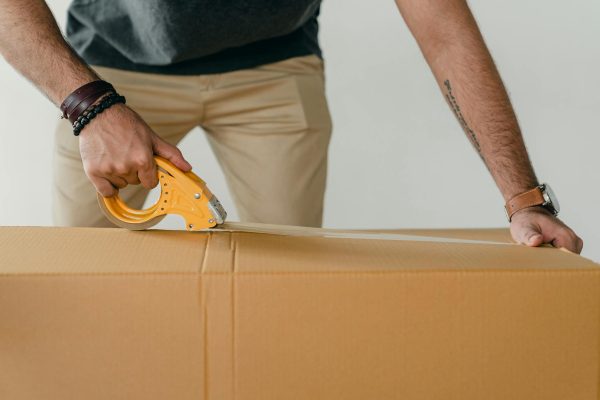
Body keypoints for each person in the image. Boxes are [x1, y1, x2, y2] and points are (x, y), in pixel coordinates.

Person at [0, 0, 583, 253]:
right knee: (86, 266)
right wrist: (90, 107)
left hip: (273, 68)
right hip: (111, 68)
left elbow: (447, 34)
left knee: (283, 274)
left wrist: (524, 199)